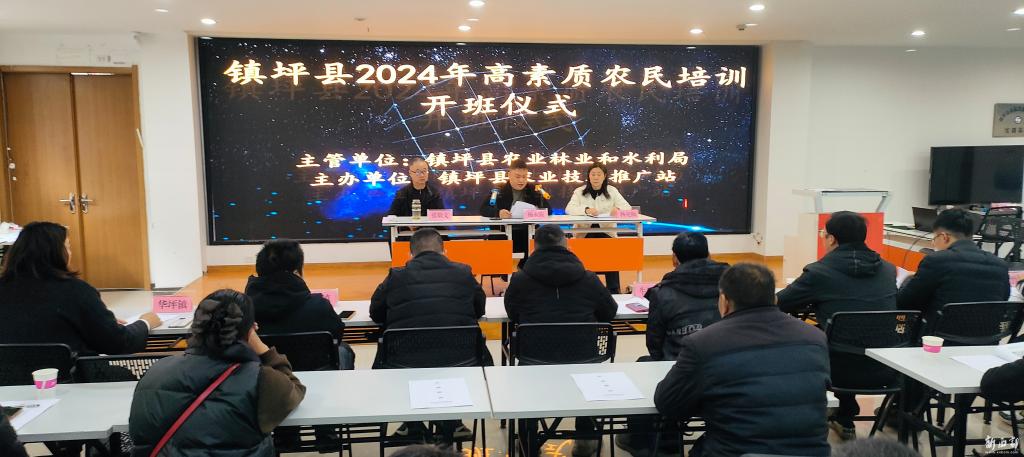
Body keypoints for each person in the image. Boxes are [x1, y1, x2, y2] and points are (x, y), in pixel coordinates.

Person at [654, 263, 831, 457]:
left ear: (724, 301)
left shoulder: (703, 343)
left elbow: (668, 403)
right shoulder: (815, 338)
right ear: (774, 299)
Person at [129, 289, 306, 456]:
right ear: (248, 332)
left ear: (196, 327)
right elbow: (294, 388)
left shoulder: (156, 371)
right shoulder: (261, 379)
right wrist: (262, 348)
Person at [776, 211, 897, 440]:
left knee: (816, 339)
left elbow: (779, 303)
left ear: (831, 239)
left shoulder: (819, 272)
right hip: (887, 368)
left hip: (836, 370)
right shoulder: (888, 270)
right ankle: (845, 416)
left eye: (823, 233)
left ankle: (814, 420)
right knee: (849, 335)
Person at [504, 224, 616, 457]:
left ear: (535, 247)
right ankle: (586, 440)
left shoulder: (520, 280)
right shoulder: (589, 278)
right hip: (585, 356)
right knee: (589, 374)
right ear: (566, 244)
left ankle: (528, 440)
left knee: (525, 380)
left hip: (534, 357)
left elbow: (513, 315)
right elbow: (609, 312)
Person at [369, 228, 486, 441]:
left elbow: (376, 313)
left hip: (404, 360)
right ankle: (451, 423)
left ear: (410, 254)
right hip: (462, 358)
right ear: (444, 251)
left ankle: (413, 424)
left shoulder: (396, 276)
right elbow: (479, 310)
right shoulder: (463, 272)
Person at [0, 221, 161, 355]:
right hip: (72, 378)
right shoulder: (75, 291)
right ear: (55, 253)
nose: (71, 253)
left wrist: (96, 320)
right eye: (68, 247)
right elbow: (117, 343)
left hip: (8, 380)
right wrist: (144, 323)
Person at [245, 239, 354, 369]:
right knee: (343, 350)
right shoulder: (320, 307)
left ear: (259, 270)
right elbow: (337, 335)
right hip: (316, 373)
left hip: (265, 375)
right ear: (296, 272)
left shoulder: (243, 312)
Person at [897, 208, 1010, 324]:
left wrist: (907, 281)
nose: (933, 243)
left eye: (934, 238)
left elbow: (905, 303)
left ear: (944, 237)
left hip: (939, 333)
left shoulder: (936, 261)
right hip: (987, 333)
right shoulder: (1000, 265)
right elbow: (1003, 302)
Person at [643, 232, 727, 362]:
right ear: (709, 255)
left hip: (678, 363)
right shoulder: (731, 283)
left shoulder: (662, 292)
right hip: (725, 362)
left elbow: (654, 345)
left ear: (675, 258)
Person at [565, 162, 634, 293]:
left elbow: (627, 207)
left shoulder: (612, 191)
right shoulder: (579, 191)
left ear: (604, 176)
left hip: (607, 232)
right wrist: (586, 210)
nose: (596, 177)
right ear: (589, 176)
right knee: (585, 254)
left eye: (599, 174)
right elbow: (569, 208)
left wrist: (618, 209)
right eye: (593, 174)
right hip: (584, 233)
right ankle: (582, 290)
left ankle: (613, 289)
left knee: (611, 252)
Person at [479, 159, 550, 268]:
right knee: (501, 250)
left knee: (539, 243)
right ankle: (505, 271)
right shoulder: (499, 190)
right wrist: (498, 213)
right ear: (509, 175)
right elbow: (483, 209)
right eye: (518, 177)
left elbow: (549, 210)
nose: (521, 180)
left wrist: (536, 211)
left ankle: (528, 272)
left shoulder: (534, 190)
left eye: (524, 177)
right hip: (504, 231)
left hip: (527, 231)